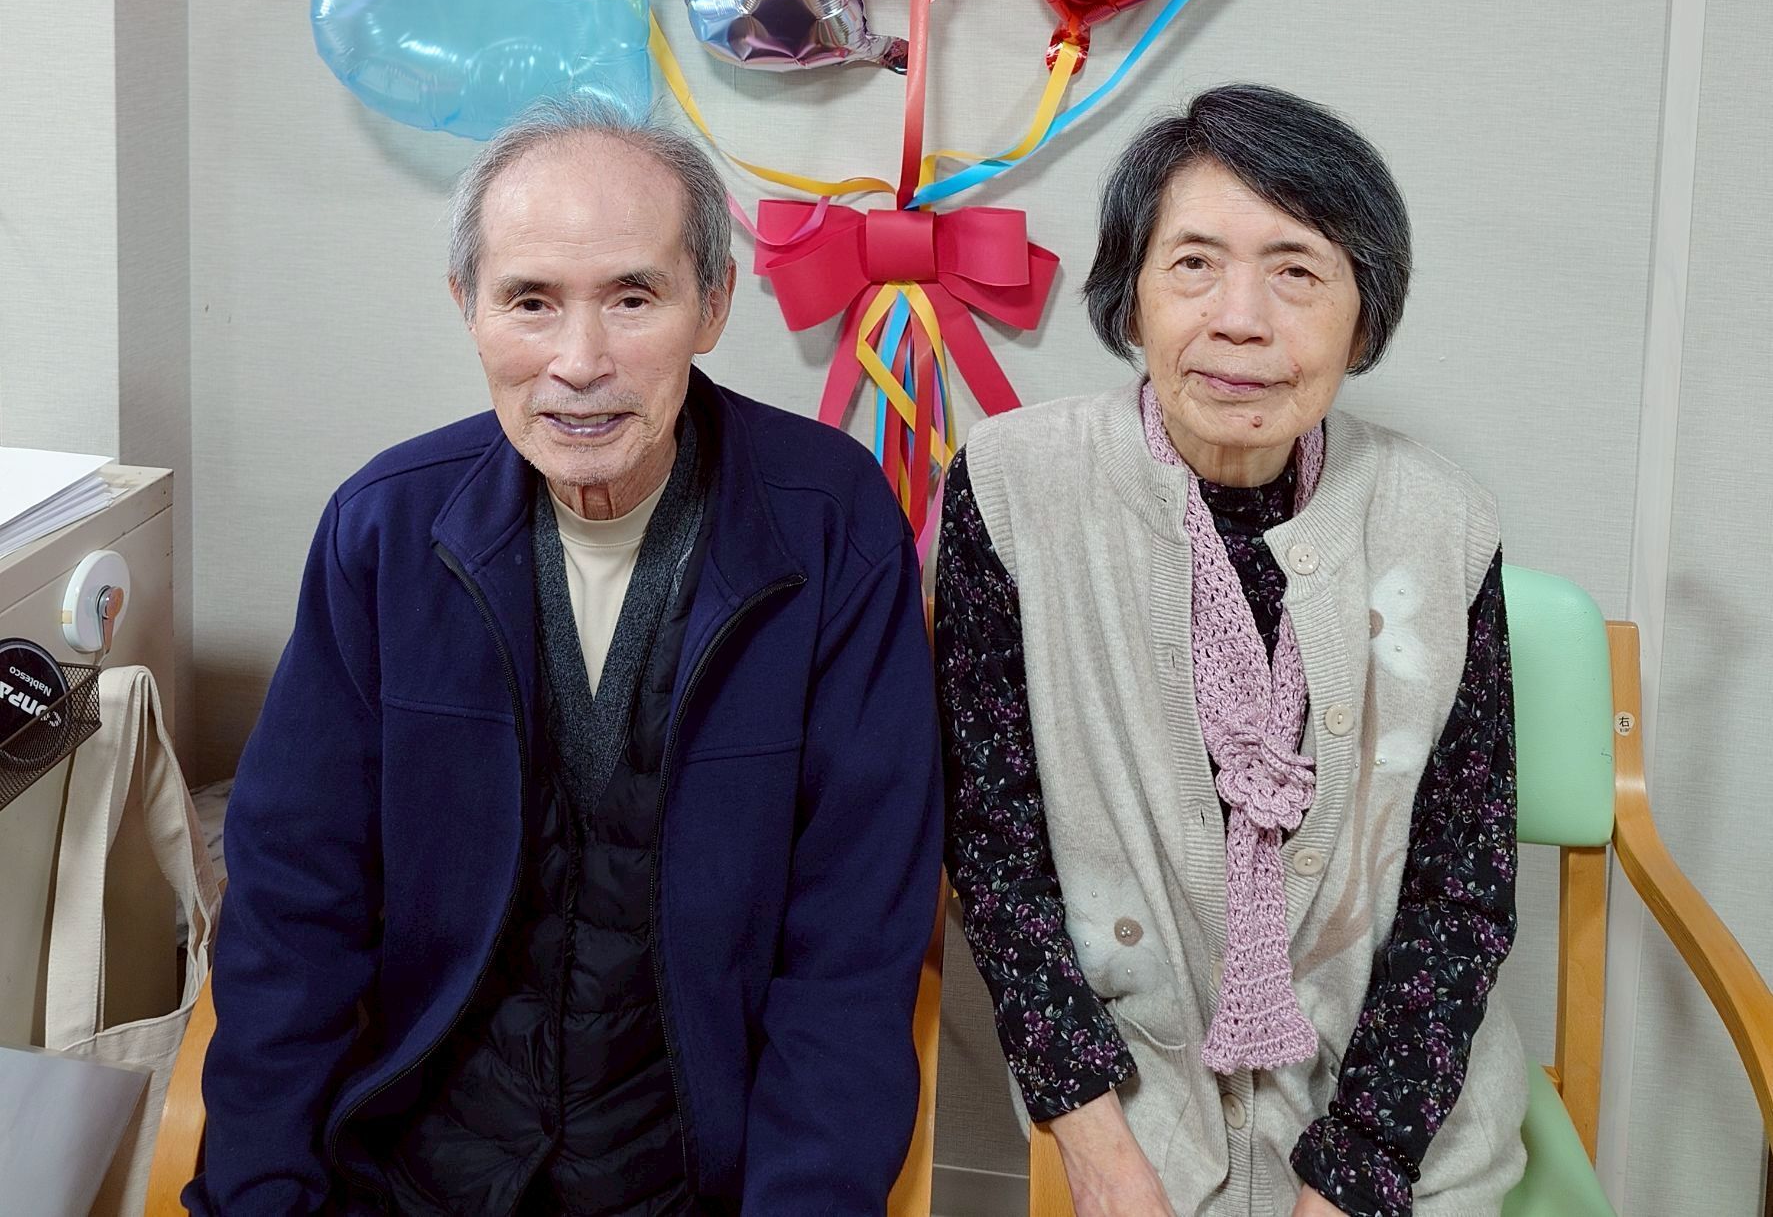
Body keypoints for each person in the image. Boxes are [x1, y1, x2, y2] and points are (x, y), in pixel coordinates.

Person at [191, 99, 942, 1217]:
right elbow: (293, 909)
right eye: (530, 301)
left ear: (712, 304)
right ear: (468, 306)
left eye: (633, 299)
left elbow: (852, 946)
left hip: (704, 1179)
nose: (580, 363)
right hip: (408, 1167)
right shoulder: (384, 530)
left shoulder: (831, 526)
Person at [936, 86, 1526, 1217]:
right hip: (1131, 1109)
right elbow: (996, 851)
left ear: (1364, 318)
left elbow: (1464, 890)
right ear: (1131, 295)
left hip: (1400, 1122)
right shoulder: (1013, 490)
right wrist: (1098, 1150)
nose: (1240, 320)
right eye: (1193, 264)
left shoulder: (1443, 522)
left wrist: (1357, 1173)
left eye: (1297, 270)